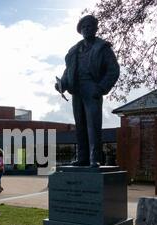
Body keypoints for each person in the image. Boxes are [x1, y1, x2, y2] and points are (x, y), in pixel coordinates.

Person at [55, 15, 120, 167]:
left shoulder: (103, 48)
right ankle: (83, 157)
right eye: (84, 27)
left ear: (96, 28)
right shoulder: (74, 51)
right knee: (80, 125)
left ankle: (95, 158)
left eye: (90, 26)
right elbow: (68, 72)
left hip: (92, 87)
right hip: (76, 89)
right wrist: (62, 84)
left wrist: (101, 87)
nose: (87, 29)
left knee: (93, 125)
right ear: (80, 31)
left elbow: (113, 70)